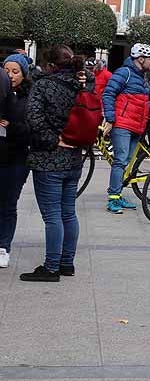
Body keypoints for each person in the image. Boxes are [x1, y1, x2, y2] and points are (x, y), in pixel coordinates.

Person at [19, 46, 93, 282]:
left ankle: (51, 267)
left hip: (49, 159)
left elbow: (33, 118)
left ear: (50, 65)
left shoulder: (44, 85)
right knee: (68, 213)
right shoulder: (80, 85)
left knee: (52, 216)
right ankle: (66, 263)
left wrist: (53, 140)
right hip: (74, 158)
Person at [101, 44, 150, 214]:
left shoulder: (141, 76)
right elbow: (108, 94)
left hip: (137, 125)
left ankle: (117, 194)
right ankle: (114, 198)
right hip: (123, 124)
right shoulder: (124, 73)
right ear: (140, 59)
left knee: (126, 162)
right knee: (121, 161)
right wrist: (110, 118)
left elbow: (142, 101)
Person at [0, 53, 32, 269]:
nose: (11, 75)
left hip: (17, 158)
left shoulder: (28, 97)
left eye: (15, 71)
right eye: (7, 70)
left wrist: (11, 126)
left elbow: (32, 130)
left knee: (8, 204)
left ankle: (3, 246)